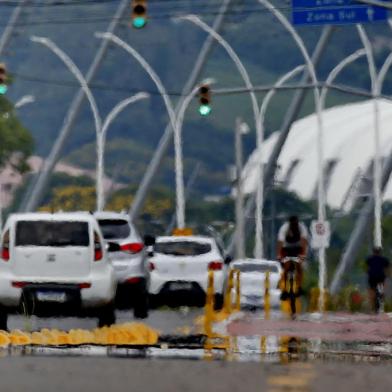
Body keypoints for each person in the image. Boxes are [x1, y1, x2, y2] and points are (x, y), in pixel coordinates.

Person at [277, 215, 309, 299]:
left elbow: (304, 242)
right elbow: (280, 242)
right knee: (286, 267)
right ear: (290, 224)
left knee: (299, 266)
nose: (294, 226)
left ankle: (299, 287)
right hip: (286, 248)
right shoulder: (284, 228)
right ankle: (284, 289)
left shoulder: (302, 227)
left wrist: (303, 255)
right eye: (293, 225)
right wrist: (279, 255)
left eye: (296, 224)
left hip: (298, 248)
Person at [366, 247, 390, 311]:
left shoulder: (369, 259)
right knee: (381, 289)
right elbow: (387, 268)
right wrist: (388, 275)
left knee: (372, 291)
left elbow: (366, 268)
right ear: (380, 252)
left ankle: (373, 306)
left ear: (373, 252)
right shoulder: (384, 259)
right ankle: (381, 296)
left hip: (372, 277)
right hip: (380, 277)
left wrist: (368, 272)